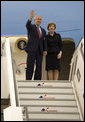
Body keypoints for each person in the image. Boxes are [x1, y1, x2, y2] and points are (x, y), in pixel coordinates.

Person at [25, 10, 47, 80]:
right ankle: (28, 80)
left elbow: (44, 41)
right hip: (31, 49)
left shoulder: (43, 30)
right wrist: (30, 18)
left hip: (40, 50)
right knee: (30, 65)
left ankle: (37, 80)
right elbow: (27, 25)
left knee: (39, 66)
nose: (39, 20)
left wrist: (45, 49)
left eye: (40, 19)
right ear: (34, 20)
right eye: (37, 19)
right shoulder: (31, 27)